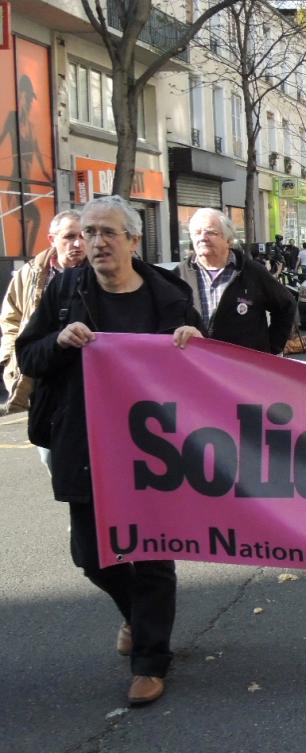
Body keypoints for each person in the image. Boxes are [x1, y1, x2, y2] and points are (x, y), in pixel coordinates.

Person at [15, 195, 204, 707]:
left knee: (153, 558)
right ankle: (135, 616)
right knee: (91, 555)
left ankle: (150, 662)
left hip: (154, 450)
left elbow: (204, 368)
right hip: (85, 441)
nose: (95, 242)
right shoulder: (65, 290)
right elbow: (27, 354)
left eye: (107, 233)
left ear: (133, 241)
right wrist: (58, 341)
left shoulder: (168, 296)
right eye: (88, 232)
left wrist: (193, 339)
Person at [1, 210, 86, 416]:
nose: (77, 244)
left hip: (78, 377)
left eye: (83, 236)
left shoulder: (98, 273)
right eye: (69, 236)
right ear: (52, 239)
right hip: (34, 372)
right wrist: (9, 358)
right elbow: (11, 319)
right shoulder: (29, 273)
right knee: (43, 438)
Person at [180, 208, 295, 354]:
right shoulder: (179, 276)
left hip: (244, 369)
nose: (203, 237)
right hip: (198, 367)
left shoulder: (251, 271)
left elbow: (286, 305)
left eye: (210, 232)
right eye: (197, 233)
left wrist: (270, 350)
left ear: (228, 240)